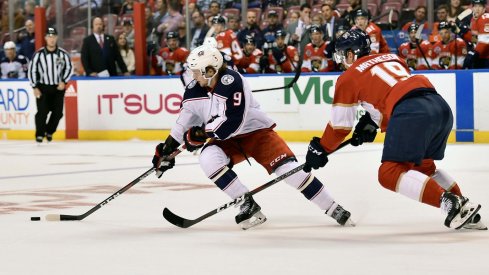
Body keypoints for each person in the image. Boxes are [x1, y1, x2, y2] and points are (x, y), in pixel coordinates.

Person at [152, 45, 354, 230]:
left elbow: (231, 123)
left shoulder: (231, 81)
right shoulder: (193, 89)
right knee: (208, 159)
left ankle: (333, 207)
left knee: (290, 171)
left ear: (210, 70)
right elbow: (182, 123)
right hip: (226, 139)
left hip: (256, 133)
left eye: (196, 71)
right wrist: (167, 149)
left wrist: (199, 134)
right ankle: (246, 203)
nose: (192, 75)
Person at [303, 28, 485, 230]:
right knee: (423, 168)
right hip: (438, 105)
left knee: (389, 173)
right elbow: (391, 89)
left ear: (350, 53)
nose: (340, 61)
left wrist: (321, 148)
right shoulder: (392, 57)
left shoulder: (348, 77)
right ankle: (465, 207)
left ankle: (450, 203)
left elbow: (339, 128)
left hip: (411, 112)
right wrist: (372, 121)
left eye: (341, 55)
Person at [28, 27, 73, 143]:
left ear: (57, 38)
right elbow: (32, 70)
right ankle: (39, 134)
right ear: (45, 38)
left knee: (58, 113)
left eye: (53, 37)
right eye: (49, 37)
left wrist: (64, 81)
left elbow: (69, 68)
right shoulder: (39, 54)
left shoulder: (63, 54)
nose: (51, 39)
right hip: (43, 87)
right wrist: (34, 86)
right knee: (42, 112)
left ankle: (49, 131)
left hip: (58, 87)